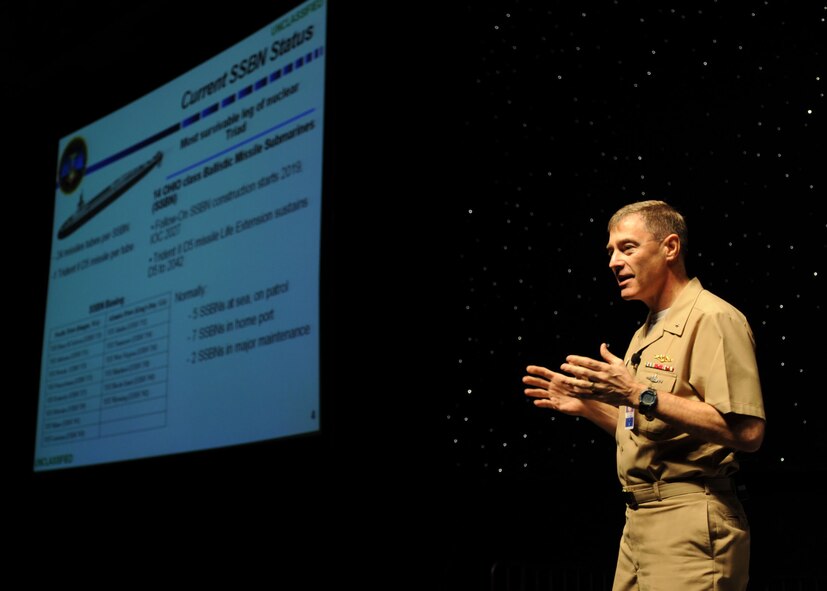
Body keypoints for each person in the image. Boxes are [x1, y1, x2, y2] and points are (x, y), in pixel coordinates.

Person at [522, 200, 766, 590]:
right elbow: (648, 425)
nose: (613, 262)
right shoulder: (644, 333)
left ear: (670, 248)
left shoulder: (714, 318)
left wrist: (636, 392)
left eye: (627, 247)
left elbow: (747, 433)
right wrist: (591, 409)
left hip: (690, 522)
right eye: (610, 252)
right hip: (638, 523)